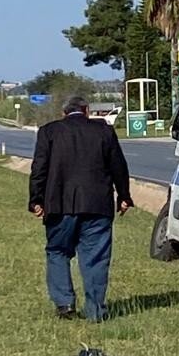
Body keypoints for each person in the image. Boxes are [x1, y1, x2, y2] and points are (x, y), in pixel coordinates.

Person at [28, 95, 133, 321]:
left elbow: (39, 169)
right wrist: (124, 196)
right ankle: (95, 311)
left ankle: (65, 304)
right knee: (95, 257)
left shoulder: (49, 131)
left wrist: (36, 200)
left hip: (59, 205)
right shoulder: (103, 131)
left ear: (64, 113)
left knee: (57, 251)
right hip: (97, 205)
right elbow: (118, 166)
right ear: (86, 111)